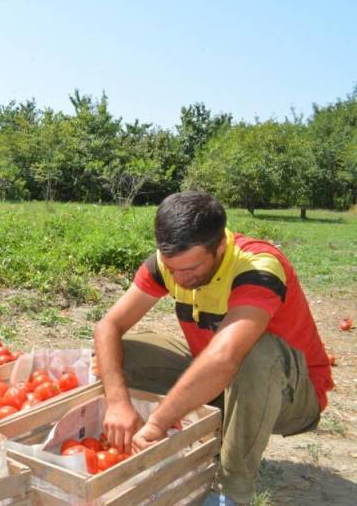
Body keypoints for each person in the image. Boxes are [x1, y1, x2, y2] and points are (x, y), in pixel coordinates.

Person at [94, 191, 333, 505]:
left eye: (191, 269)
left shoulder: (259, 267)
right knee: (120, 352)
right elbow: (107, 326)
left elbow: (225, 359)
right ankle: (162, 439)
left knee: (255, 354)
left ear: (220, 246)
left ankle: (231, 491)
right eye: (172, 268)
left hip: (293, 397)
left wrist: (157, 423)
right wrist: (117, 403)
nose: (179, 278)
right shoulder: (169, 264)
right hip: (222, 383)